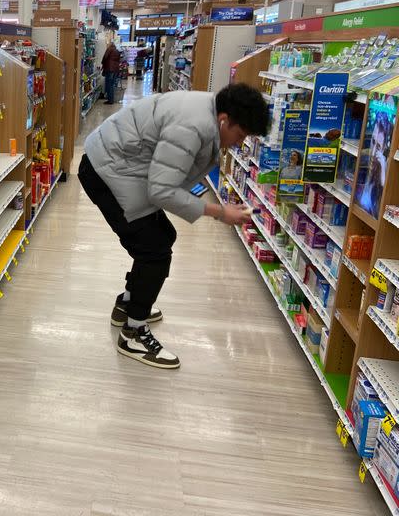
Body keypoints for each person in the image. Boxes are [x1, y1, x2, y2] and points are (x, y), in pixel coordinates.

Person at [78, 83, 270, 369]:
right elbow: (162, 191)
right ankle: (133, 333)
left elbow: (168, 176)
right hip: (107, 171)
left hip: (121, 166)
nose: (239, 143)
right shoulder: (192, 127)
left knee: (163, 235)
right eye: (240, 135)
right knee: (153, 250)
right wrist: (220, 212)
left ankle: (128, 304)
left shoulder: (209, 112)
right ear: (224, 120)